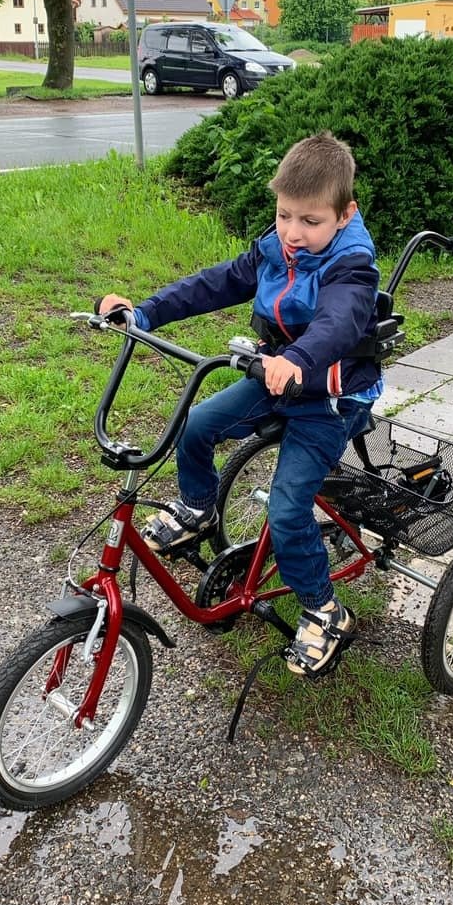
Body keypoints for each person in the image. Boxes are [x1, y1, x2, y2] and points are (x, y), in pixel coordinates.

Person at [99, 132, 381, 678]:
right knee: (198, 424)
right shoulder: (276, 248)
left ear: (345, 214)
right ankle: (199, 508)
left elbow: (339, 321)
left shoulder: (354, 266)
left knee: (288, 508)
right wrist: (145, 313)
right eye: (284, 215)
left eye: (310, 221)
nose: (294, 234)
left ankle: (325, 609)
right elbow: (217, 283)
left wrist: (298, 356)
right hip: (278, 376)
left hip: (329, 399)